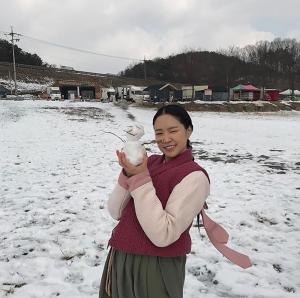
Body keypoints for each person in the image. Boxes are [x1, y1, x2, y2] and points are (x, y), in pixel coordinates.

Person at [99, 104, 251, 298]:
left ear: (188, 130)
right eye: (159, 133)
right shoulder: (150, 163)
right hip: (120, 256)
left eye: (173, 130)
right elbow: (115, 212)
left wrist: (139, 180)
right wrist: (128, 174)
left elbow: (164, 235)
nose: (165, 139)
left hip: (155, 267)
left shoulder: (195, 177)